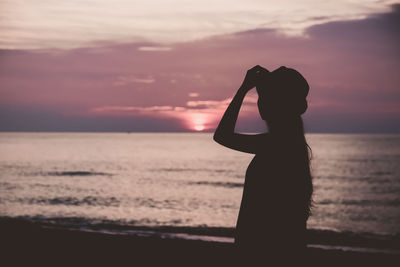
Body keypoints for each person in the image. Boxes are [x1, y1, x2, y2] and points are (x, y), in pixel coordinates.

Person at [213, 65, 313, 265]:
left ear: (276, 103)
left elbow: (222, 136)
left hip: (263, 252)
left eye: (264, 96)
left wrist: (243, 89)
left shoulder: (276, 144)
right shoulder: (290, 144)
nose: (260, 102)